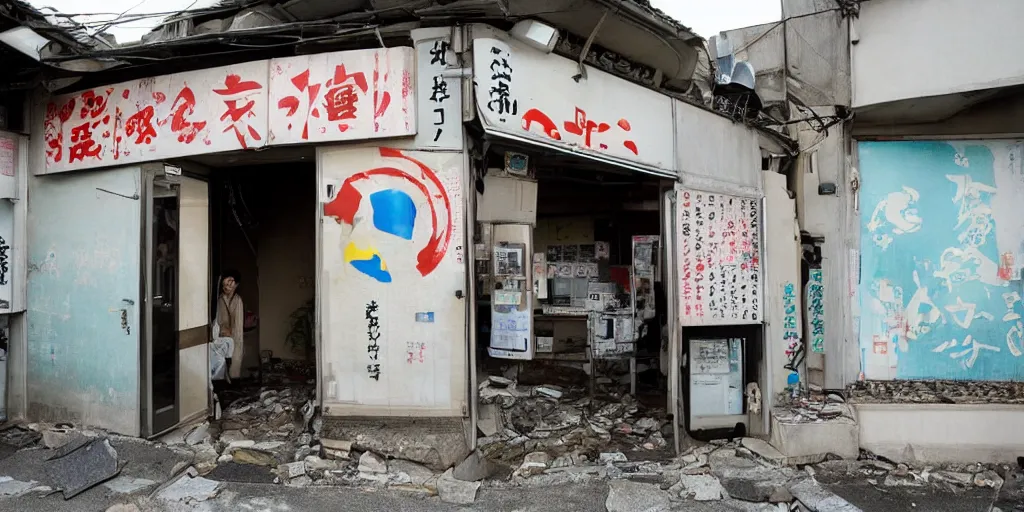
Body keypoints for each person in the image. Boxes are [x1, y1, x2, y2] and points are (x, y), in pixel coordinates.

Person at [214, 270, 245, 381]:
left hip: (236, 340)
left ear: (236, 285)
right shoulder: (220, 300)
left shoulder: (238, 301)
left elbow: (239, 326)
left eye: (231, 283)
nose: (227, 286)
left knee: (234, 370)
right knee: (221, 371)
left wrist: (234, 339)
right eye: (226, 283)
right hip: (221, 340)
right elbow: (217, 321)